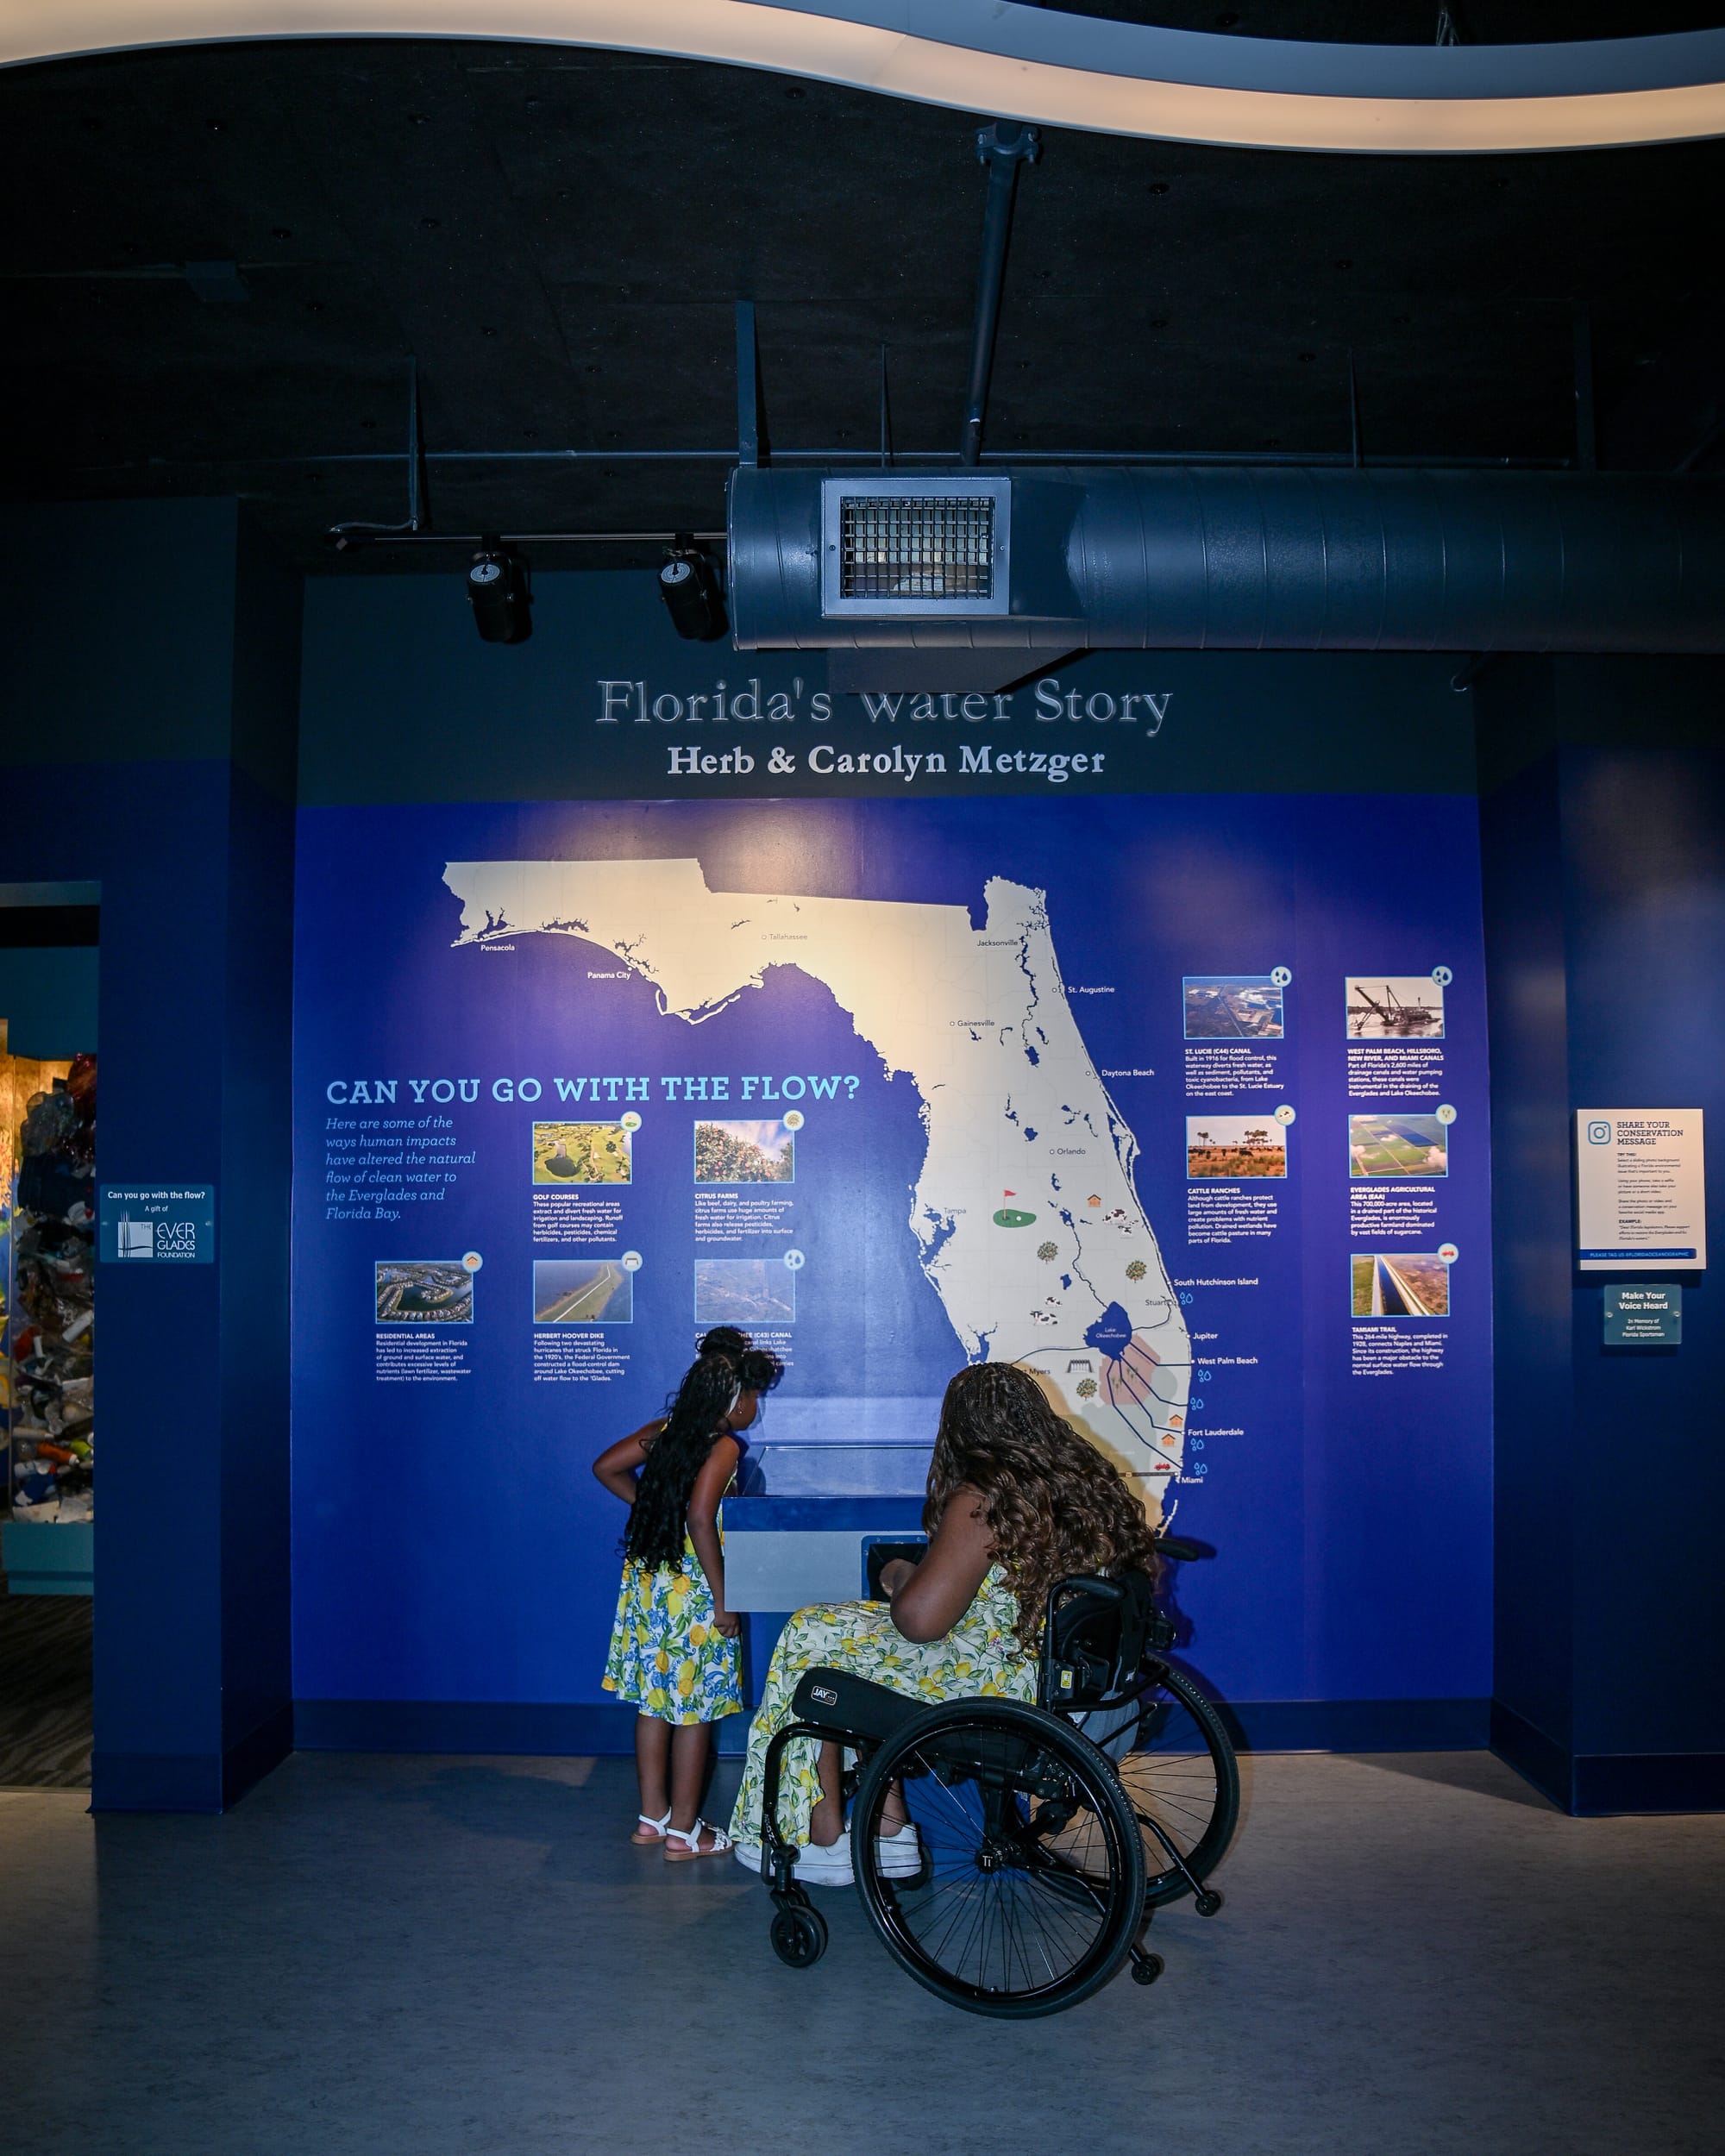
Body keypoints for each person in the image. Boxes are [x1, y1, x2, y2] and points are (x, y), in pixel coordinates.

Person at [728, 1360, 1160, 1884]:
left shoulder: (986, 1498)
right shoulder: (1087, 1488)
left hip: (992, 1685)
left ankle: (818, 1835)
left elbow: (918, 1623)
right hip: (1060, 1676)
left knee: (811, 1635)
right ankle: (890, 1833)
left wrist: (898, 1578)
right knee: (847, 1638)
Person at [593, 1334, 782, 1859]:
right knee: (697, 1712)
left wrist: (654, 1507)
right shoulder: (723, 1447)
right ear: (731, 1403)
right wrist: (725, 1600)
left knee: (653, 1705)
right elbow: (702, 1517)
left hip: (653, 1585)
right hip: (697, 1593)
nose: (754, 1408)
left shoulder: (666, 1432)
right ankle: (684, 1831)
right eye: (751, 1398)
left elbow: (604, 1466)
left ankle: (650, 1820)